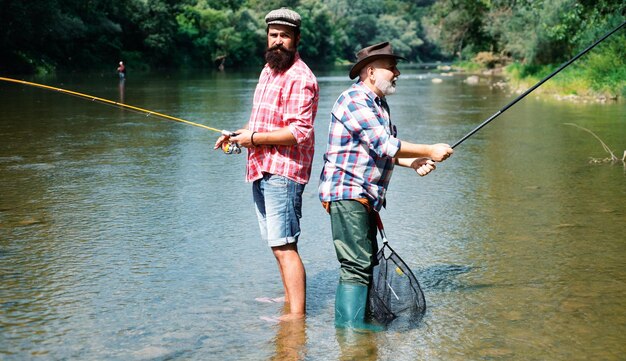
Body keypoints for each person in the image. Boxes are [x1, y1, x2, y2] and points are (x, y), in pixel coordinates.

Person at [318, 41, 453, 329]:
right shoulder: (353, 100)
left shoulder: (378, 103)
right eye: (391, 67)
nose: (397, 72)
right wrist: (428, 150)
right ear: (370, 71)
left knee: (364, 264)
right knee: (355, 267)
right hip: (348, 193)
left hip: (365, 196)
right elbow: (385, 143)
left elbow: (380, 151)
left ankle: (359, 332)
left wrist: (413, 161)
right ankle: (351, 335)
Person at [214, 8, 319, 321]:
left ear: (296, 40)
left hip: (284, 172)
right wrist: (237, 136)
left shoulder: (301, 78)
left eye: (284, 36)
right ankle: (289, 298)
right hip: (262, 168)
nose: (277, 41)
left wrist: (254, 138)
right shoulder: (269, 70)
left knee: (285, 244)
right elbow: (260, 121)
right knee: (277, 243)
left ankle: (296, 316)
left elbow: (298, 132)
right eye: (273, 35)